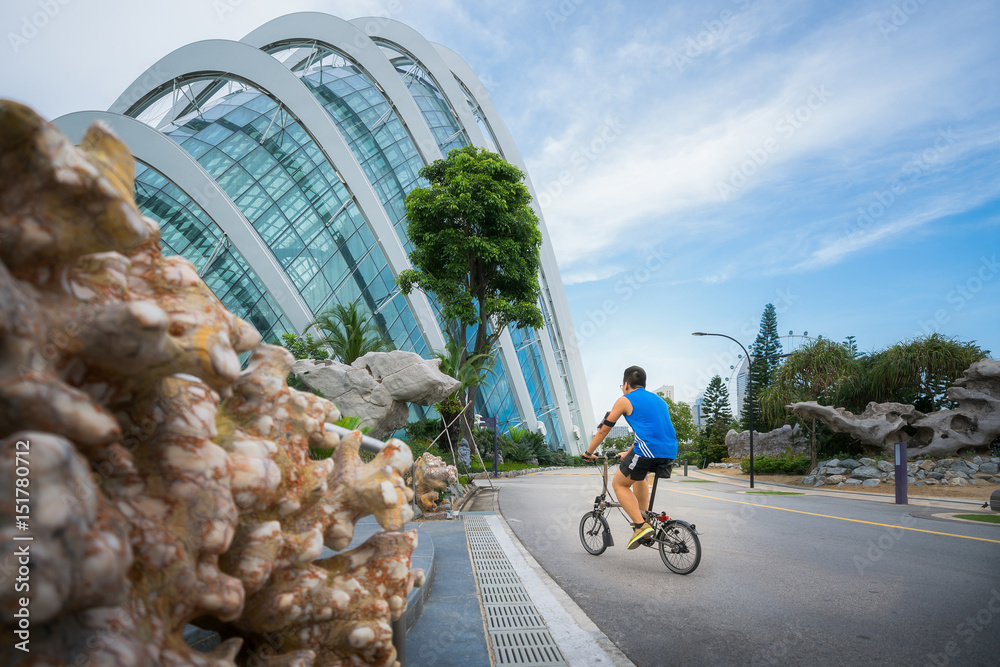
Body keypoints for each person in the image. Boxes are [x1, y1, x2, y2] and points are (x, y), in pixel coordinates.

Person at [582, 366, 678, 549]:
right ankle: (644, 517)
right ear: (643, 383)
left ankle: (640, 526)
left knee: (619, 484)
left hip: (648, 449)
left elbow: (603, 430)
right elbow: (652, 431)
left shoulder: (625, 400)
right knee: (639, 475)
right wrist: (627, 453)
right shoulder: (659, 401)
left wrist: (588, 453)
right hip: (670, 450)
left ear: (625, 384)